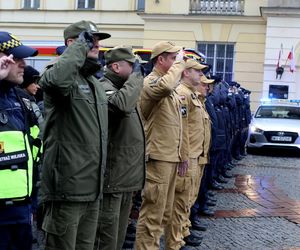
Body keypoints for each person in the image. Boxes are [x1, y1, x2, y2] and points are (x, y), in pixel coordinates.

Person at [39, 20, 110, 250]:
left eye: (97, 40)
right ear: (72, 43)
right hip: (67, 187)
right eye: (90, 39)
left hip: (92, 187)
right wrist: (79, 48)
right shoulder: (57, 73)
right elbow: (57, 81)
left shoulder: (94, 83)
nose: (97, 45)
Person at [135, 41, 186, 249]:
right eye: (173, 58)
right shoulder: (151, 82)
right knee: (152, 216)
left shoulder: (170, 88)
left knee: (164, 213)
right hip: (157, 158)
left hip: (170, 157)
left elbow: (178, 126)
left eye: (177, 58)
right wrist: (180, 65)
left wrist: (181, 155)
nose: (177, 63)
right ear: (161, 60)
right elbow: (164, 86)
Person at [93, 46, 145, 250]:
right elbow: (120, 106)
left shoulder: (127, 88)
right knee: (106, 239)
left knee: (118, 238)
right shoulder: (104, 85)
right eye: (131, 66)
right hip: (112, 180)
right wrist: (136, 77)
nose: (135, 71)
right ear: (115, 66)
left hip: (125, 179)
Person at [0, 31, 38, 250]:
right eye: (16, 58)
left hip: (21, 212)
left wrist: (31, 204)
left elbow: (32, 153)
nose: (23, 64)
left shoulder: (20, 98)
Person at [166, 60, 208, 249]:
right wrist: (184, 156)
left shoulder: (192, 95)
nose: (201, 76)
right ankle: (176, 240)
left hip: (195, 155)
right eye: (197, 72)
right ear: (185, 73)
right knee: (180, 201)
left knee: (187, 200)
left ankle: (182, 234)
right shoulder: (183, 94)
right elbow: (182, 129)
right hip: (187, 156)